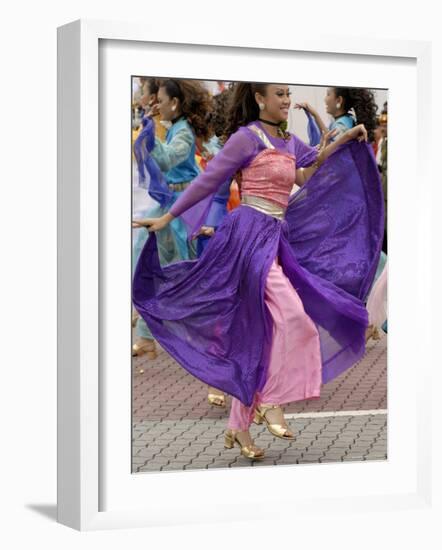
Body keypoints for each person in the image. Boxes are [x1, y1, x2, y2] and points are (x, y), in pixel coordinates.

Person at [133, 82, 384, 460]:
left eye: (287, 94)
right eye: (279, 94)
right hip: (248, 240)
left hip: (275, 239)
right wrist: (167, 216)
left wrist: (347, 137)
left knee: (260, 337)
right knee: (294, 318)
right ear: (259, 99)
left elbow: (305, 173)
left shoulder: (287, 141)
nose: (286, 100)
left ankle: (238, 426)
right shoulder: (246, 139)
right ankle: (271, 401)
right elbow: (208, 179)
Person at [132, 78, 212, 359]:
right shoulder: (175, 127)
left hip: (185, 207)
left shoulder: (184, 132)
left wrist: (150, 133)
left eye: (161, 100)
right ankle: (147, 334)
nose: (157, 104)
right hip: (171, 204)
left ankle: (192, 335)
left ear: (174, 103)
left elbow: (167, 160)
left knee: (174, 270)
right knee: (152, 261)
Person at [295, 87, 378, 144]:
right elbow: (329, 136)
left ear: (339, 100)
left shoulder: (342, 125)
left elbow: (331, 146)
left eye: (328, 94)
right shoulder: (347, 120)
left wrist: (315, 114)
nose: (325, 99)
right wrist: (314, 115)